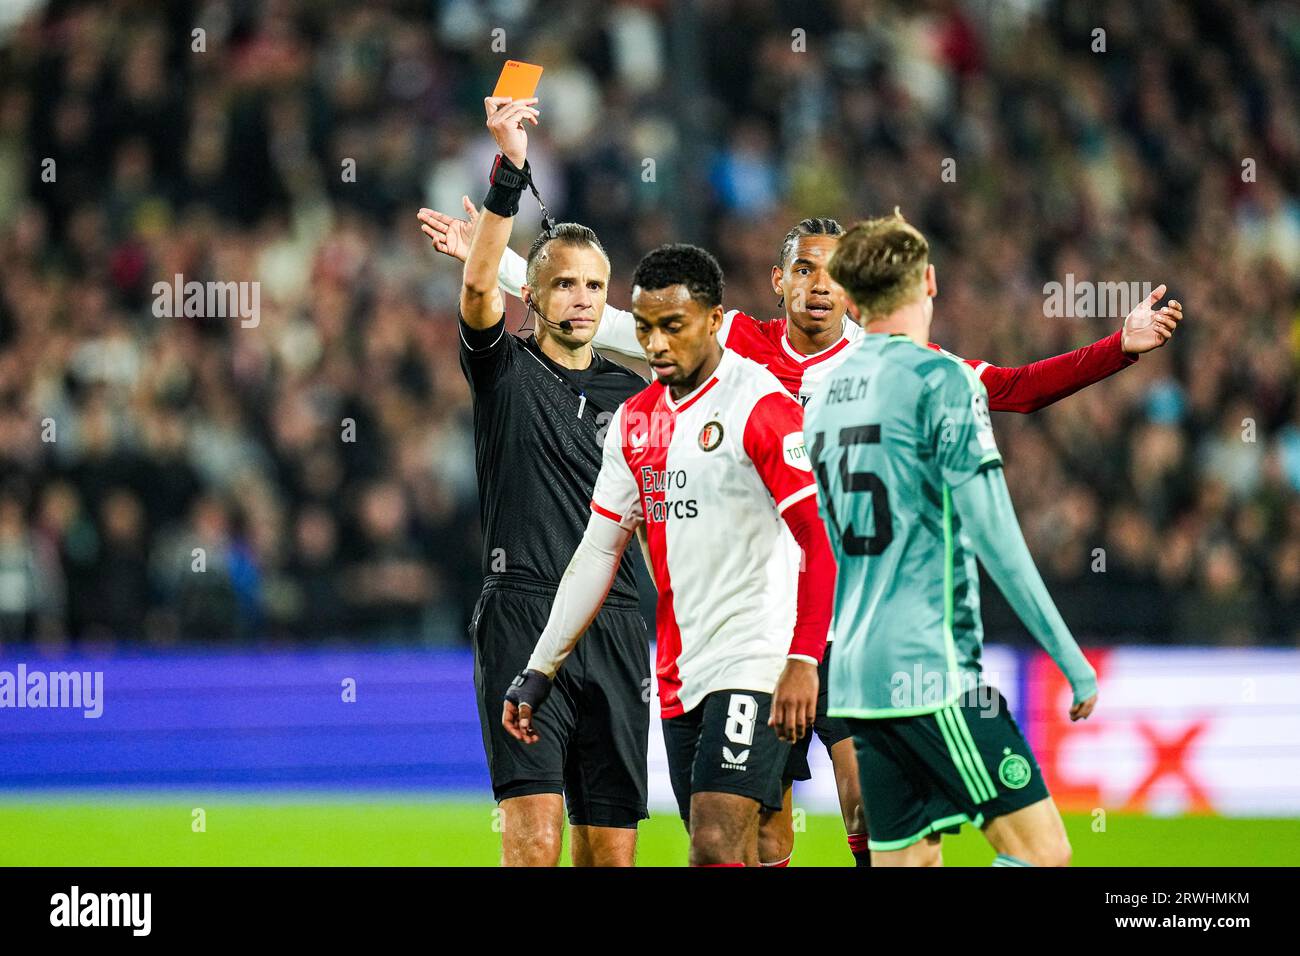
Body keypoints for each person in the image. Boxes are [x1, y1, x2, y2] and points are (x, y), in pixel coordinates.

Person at [423, 203, 1182, 866]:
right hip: (752, 619)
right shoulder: (738, 345)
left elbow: (1014, 389)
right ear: (779, 282)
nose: (820, 286)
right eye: (804, 271)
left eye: (833, 273)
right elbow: (608, 319)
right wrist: (497, 263)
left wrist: (1117, 348)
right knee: (761, 826)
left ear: (852, 288)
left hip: (845, 619)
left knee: (864, 805)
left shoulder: (895, 361)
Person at [503, 244, 835, 866]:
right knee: (748, 843)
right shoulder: (634, 421)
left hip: (756, 656)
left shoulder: (759, 406)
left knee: (713, 842)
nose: (655, 344)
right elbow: (598, 553)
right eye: (646, 327)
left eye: (673, 326)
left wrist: (803, 658)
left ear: (715, 321)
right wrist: (541, 667)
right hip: (682, 669)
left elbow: (820, 542)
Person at [804, 211, 1116, 866]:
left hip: (855, 672)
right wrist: (1069, 656)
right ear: (931, 282)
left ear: (853, 301)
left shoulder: (825, 394)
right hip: (930, 670)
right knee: (1042, 852)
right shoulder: (941, 380)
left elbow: (830, 538)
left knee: (909, 860)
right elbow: (995, 533)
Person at [451, 95, 650, 866]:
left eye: (596, 288)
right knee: (534, 841)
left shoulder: (638, 398)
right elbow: (475, 293)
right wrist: (511, 171)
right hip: (522, 610)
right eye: (565, 284)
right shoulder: (503, 371)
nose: (582, 300)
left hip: (620, 621)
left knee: (610, 852)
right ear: (530, 294)